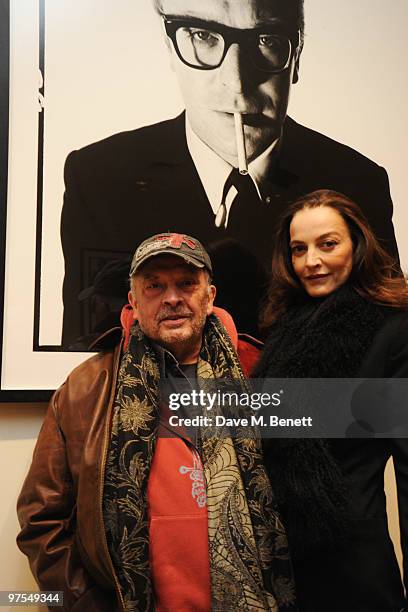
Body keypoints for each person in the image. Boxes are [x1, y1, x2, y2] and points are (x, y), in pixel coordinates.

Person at [60, 0, 399, 347]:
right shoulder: (99, 175)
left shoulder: (359, 179)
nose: (237, 83)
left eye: (267, 40)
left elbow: (384, 337)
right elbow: (89, 340)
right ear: (170, 47)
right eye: (202, 35)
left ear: (296, 54)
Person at [17, 232, 296, 612]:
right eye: (154, 286)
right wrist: (83, 604)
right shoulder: (85, 389)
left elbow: (302, 498)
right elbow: (42, 520)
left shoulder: (259, 373)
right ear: (133, 300)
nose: (172, 298)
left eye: (186, 283)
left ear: (210, 296)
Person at [253, 190, 408, 612]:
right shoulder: (284, 328)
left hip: (351, 568)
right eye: (298, 249)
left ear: (357, 246)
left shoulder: (393, 332)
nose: (311, 261)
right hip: (280, 564)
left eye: (328, 244)